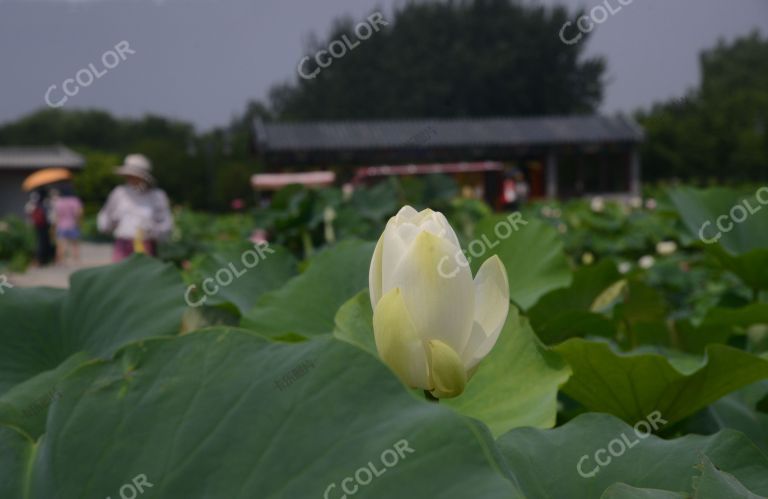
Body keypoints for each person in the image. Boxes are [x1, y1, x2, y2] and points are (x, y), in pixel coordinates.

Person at [97, 154, 174, 262]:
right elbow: (107, 216)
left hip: (146, 245)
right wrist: (109, 225)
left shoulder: (157, 196)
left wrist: (152, 230)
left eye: (134, 176)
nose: (130, 178)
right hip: (123, 244)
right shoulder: (119, 193)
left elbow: (165, 223)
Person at [52, 184, 83, 264]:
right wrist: (78, 223)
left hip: (61, 225)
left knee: (61, 244)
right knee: (75, 243)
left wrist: (55, 226)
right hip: (72, 224)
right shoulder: (75, 200)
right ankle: (76, 259)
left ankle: (60, 260)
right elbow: (78, 213)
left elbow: (56, 215)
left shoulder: (58, 201)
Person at [25, 188, 55, 266]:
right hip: (46, 224)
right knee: (45, 241)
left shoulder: (34, 202)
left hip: (38, 224)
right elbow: (51, 215)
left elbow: (28, 211)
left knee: (40, 241)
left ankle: (40, 260)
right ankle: (44, 259)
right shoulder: (47, 202)